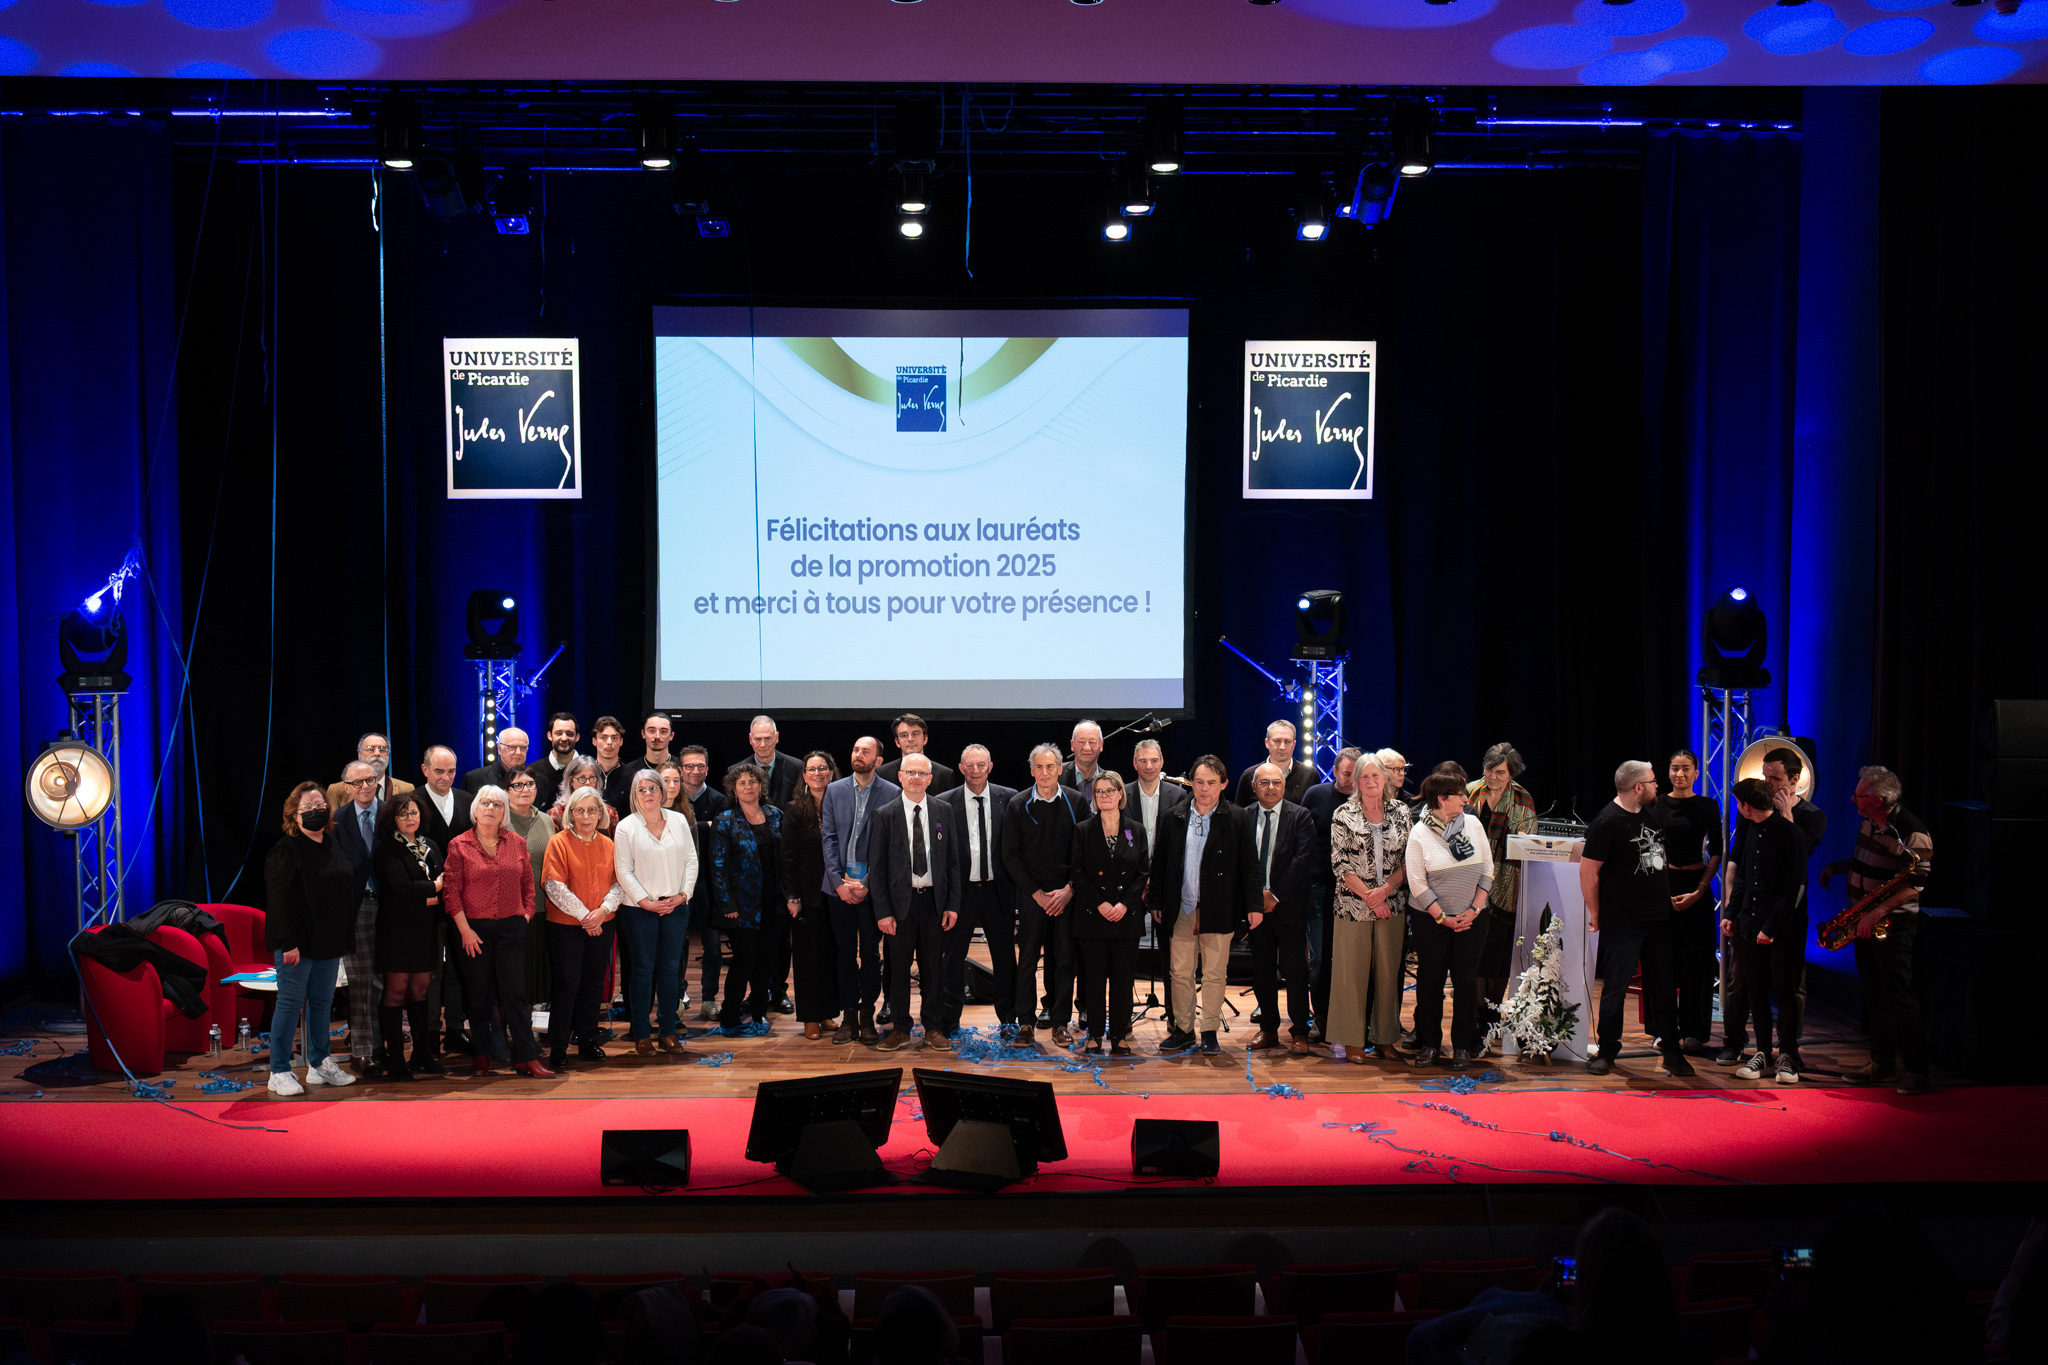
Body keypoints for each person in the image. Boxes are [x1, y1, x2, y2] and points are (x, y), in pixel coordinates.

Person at [1822, 765, 1936, 1095]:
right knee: (1874, 995)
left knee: (1900, 995)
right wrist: (1838, 868)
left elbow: (1916, 884)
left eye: (1858, 795)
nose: (1852, 799)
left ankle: (1917, 1071)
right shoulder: (1870, 822)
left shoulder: (1912, 831)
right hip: (1864, 920)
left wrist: (1878, 911)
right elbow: (1869, 861)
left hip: (1893, 924)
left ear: (1877, 800)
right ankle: (1881, 1064)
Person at [1581, 760, 1691, 1078]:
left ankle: (1672, 1051)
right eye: (1653, 782)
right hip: (1622, 919)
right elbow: (1588, 872)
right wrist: (1595, 912)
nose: (1658, 786)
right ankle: (1607, 1050)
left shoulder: (1651, 812)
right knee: (1615, 986)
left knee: (1664, 985)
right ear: (1638, 787)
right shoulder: (1607, 821)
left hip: (1658, 917)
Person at [1150, 754, 1262, 1056]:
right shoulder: (1173, 816)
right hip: (1182, 907)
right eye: (1199, 782)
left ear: (1223, 784)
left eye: (1211, 783)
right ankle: (1183, 1029)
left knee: (1214, 973)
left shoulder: (1237, 818)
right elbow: (1160, 864)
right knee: (1179, 972)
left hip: (1219, 907)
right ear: (1191, 782)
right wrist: (1157, 900)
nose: (1204, 789)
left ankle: (1209, 1030)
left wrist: (1254, 905)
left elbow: (1250, 866)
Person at [1720, 745, 1825, 1064]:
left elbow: (1800, 862)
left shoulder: (1811, 816)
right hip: (1750, 911)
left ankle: (1788, 1049)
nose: (1768, 784)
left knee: (1788, 985)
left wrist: (1787, 815)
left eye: (1775, 778)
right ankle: (1739, 1042)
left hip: (1786, 914)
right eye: (1764, 776)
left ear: (1794, 779)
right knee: (1742, 981)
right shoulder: (1752, 814)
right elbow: (1738, 861)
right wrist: (1731, 907)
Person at [442, 785, 554, 1078]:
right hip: (474, 931)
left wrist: (525, 915)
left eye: (497, 804)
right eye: (485, 803)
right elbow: (451, 893)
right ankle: (481, 1056)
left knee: (515, 995)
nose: (491, 808)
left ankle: (527, 1057)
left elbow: (528, 884)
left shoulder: (516, 842)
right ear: (476, 809)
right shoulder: (459, 845)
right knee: (479, 995)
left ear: (504, 811)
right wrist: (465, 931)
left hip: (511, 928)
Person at [262, 782, 360, 1096]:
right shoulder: (286, 849)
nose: (316, 811)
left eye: (320, 806)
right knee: (290, 1003)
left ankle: (319, 1064)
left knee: (321, 1003)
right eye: (308, 807)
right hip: (296, 943)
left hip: (328, 941)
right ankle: (279, 1070)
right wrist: (287, 943)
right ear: (295, 814)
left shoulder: (332, 842)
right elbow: (278, 902)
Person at [865, 754, 960, 1051]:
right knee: (898, 969)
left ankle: (932, 1027)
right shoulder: (884, 814)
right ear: (900, 776)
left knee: (933, 968)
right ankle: (900, 1029)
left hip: (934, 903)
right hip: (899, 906)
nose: (916, 777)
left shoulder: (944, 810)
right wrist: (883, 912)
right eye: (910, 772)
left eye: (922, 773)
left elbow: (953, 863)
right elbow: (877, 869)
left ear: (930, 778)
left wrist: (952, 904)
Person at [1405, 772, 1495, 1070]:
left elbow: (1488, 870)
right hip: (1431, 921)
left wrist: (1474, 910)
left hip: (1472, 920)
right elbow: (1417, 883)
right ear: (1442, 799)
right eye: (1460, 794)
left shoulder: (1473, 824)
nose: (1466, 800)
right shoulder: (1419, 833)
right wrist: (1442, 917)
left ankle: (1463, 1047)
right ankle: (1430, 1044)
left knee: (1466, 983)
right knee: (1430, 982)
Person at [1328, 753, 1411, 1063]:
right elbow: (1340, 863)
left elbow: (1410, 860)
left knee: (1389, 975)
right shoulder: (1343, 813)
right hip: (1352, 906)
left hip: (1392, 905)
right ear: (1356, 781)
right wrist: (1370, 898)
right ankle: (1351, 1041)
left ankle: (1385, 1039)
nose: (1371, 781)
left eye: (1376, 775)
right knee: (1350, 974)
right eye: (1364, 776)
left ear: (1385, 779)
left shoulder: (1401, 811)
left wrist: (1385, 892)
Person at [1725, 777, 1808, 1085]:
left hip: (1780, 928)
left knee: (1784, 991)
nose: (1738, 808)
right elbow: (1744, 878)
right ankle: (1762, 1052)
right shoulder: (1749, 829)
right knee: (1755, 990)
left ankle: (1787, 1055)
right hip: (1749, 923)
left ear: (1747, 806)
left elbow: (1794, 887)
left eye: (1739, 803)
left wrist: (1770, 926)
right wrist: (1731, 913)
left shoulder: (1790, 833)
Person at [1002, 743, 1087, 1045]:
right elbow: (1010, 855)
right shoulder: (1017, 804)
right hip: (1031, 896)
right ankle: (1025, 1022)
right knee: (1027, 959)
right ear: (1031, 770)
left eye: (1050, 766)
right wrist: (1036, 893)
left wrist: (1069, 890)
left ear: (1060, 769)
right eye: (1039, 767)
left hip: (1066, 895)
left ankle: (1060, 1023)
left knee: (1064, 960)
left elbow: (1084, 852)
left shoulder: (1076, 801)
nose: (1045, 772)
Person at [821, 736, 901, 1044]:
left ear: (878, 760)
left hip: (873, 889)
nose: (858, 754)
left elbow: (891, 846)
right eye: (855, 749)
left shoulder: (892, 792)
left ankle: (867, 1014)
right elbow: (828, 838)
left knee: (870, 954)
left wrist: (866, 883)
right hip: (838, 888)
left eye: (866, 751)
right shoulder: (834, 790)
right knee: (843, 953)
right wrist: (837, 882)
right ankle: (848, 1016)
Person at [614, 769, 698, 1054]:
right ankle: (641, 1033)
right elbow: (623, 871)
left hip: (675, 907)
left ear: (663, 792)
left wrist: (683, 895)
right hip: (640, 910)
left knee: (670, 970)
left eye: (653, 788)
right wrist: (645, 901)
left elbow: (691, 860)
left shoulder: (679, 820)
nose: (648, 794)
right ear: (635, 795)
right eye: (642, 790)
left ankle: (667, 1030)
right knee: (642, 970)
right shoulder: (626, 827)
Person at [541, 787, 623, 1071]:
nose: (586, 816)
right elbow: (554, 885)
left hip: (602, 924)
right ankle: (559, 1046)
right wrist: (587, 916)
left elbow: (619, 884)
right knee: (567, 984)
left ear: (600, 814)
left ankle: (587, 1040)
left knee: (593, 983)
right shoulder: (558, 842)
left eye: (592, 810)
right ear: (570, 813)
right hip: (565, 926)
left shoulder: (609, 844)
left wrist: (602, 912)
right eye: (580, 810)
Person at [1068, 770, 1148, 1056]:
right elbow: (1078, 873)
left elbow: (1142, 872)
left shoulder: (1136, 829)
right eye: (1099, 791)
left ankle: (1119, 1035)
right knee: (1093, 979)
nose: (1103, 796)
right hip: (1093, 916)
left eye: (1109, 791)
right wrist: (1100, 904)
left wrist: (1124, 904)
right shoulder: (1083, 829)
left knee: (1123, 980)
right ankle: (1094, 1035)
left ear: (1120, 794)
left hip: (1125, 917)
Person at [940, 744, 1018, 1033]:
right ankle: (949, 1020)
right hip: (960, 893)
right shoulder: (944, 802)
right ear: (961, 768)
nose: (975, 771)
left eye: (981, 765)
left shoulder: (1009, 799)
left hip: (998, 891)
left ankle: (1009, 1020)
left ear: (990, 767)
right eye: (969, 765)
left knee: (1005, 957)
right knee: (952, 958)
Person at [1467, 743, 1536, 1051]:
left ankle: (1492, 1016)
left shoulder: (1523, 799)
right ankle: (1475, 1016)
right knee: (1475, 953)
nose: (1492, 777)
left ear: (1512, 774)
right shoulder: (1470, 792)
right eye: (1488, 770)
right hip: (1470, 881)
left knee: (1497, 954)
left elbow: (1527, 846)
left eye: (1500, 773)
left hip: (1505, 885)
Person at [371, 789, 444, 1081]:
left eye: (413, 812)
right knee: (396, 991)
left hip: (426, 928)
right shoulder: (386, 848)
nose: (410, 818)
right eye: (403, 814)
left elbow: (446, 878)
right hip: (397, 930)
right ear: (393, 819)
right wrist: (433, 889)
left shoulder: (430, 844)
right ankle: (395, 1059)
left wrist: (430, 893)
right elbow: (400, 887)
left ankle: (422, 1054)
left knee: (421, 991)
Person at [1244, 762, 1317, 1053]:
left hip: (1289, 906)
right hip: (1255, 908)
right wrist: (1256, 898)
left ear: (1284, 785)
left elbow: (1302, 860)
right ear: (1254, 787)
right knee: (1262, 970)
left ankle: (1299, 1032)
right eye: (1264, 783)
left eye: (1276, 782)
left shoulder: (1300, 816)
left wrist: (1274, 895)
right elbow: (1239, 861)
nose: (1271, 788)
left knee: (1295, 971)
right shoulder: (1243, 816)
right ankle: (1268, 1029)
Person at [1659, 748, 1725, 1052]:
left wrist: (1699, 890)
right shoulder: (1657, 804)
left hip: (1697, 885)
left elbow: (1717, 852)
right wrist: (1661, 889)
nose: (1680, 774)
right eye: (1675, 768)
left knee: (1697, 963)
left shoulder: (1707, 805)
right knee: (1664, 961)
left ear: (1697, 773)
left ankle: (1694, 1031)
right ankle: (1664, 1030)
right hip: (1664, 886)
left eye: (1686, 768)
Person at [709, 764, 784, 1031]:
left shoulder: (775, 815)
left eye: (753, 781)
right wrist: (727, 903)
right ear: (733, 789)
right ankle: (730, 1013)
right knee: (743, 960)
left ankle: (759, 1010)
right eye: (742, 783)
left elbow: (785, 858)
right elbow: (717, 866)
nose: (748, 787)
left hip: (772, 901)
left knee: (765, 960)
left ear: (761, 786)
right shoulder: (725, 820)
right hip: (741, 905)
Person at [779, 751, 844, 1039]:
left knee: (832, 955)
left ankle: (828, 1012)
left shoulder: (842, 804)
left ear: (831, 772)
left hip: (838, 894)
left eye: (823, 768)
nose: (818, 773)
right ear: (804, 776)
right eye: (812, 769)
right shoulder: (794, 809)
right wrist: (792, 896)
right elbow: (787, 858)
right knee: (808, 958)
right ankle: (810, 1018)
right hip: (807, 897)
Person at [328, 760, 386, 1076]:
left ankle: (387, 1047)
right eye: (356, 783)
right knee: (363, 983)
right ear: (346, 788)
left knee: (389, 981)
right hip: (357, 907)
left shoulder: (393, 813)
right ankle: (364, 1052)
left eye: (369, 780)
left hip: (394, 907)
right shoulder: (336, 820)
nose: (364, 787)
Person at [1299, 748, 1357, 1043]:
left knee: (1351, 957)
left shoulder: (1366, 800)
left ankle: (1350, 1017)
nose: (1352, 780)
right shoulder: (1315, 794)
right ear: (1334, 771)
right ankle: (1320, 1017)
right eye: (1347, 774)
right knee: (1320, 957)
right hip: (1320, 885)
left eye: (1357, 774)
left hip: (1357, 892)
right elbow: (1301, 837)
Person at [680, 745, 730, 1021]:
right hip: (677, 881)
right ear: (680, 769)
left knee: (712, 946)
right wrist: (703, 826)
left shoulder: (719, 799)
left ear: (707, 770)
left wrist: (690, 829)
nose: (694, 771)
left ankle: (709, 998)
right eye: (689, 766)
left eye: (700, 766)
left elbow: (721, 834)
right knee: (678, 943)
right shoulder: (671, 797)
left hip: (709, 881)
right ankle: (679, 995)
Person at [506, 768, 555, 1026]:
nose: (525, 789)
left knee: (540, 971)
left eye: (530, 784)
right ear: (506, 791)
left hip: (543, 907)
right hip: (510, 910)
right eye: (518, 785)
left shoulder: (547, 820)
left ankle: (535, 1027)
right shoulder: (500, 820)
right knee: (516, 972)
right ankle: (516, 1027)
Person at [1235, 720, 1318, 807]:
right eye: (1277, 741)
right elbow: (1240, 813)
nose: (1282, 747)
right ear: (1267, 743)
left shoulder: (1310, 775)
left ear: (1294, 745)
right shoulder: (1250, 775)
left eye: (1287, 741)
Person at [877, 712, 960, 795]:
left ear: (925, 739)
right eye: (904, 735)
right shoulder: (882, 774)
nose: (910, 739)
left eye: (915, 734)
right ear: (897, 742)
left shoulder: (944, 775)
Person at [326, 731, 413, 808]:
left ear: (388, 755)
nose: (377, 753)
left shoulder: (406, 789)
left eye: (382, 750)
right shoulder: (337, 791)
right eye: (370, 749)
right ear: (359, 755)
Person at [733, 713, 805, 807]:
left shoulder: (795, 767)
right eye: (758, 739)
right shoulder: (735, 771)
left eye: (768, 738)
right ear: (750, 739)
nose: (763, 744)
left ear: (777, 737)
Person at [416, 745, 474, 845]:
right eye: (439, 771)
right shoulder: (413, 802)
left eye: (451, 771)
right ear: (425, 770)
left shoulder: (468, 800)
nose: (446, 778)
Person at [547, 756, 620, 833]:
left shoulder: (609, 814)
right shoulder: (556, 815)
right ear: (570, 781)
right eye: (582, 778)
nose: (588, 782)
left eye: (592, 777)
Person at [531, 712, 583, 808]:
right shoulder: (533, 771)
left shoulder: (589, 770)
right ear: (549, 735)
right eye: (559, 733)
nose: (564, 738)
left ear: (577, 737)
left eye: (569, 734)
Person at [590, 716, 637, 817]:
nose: (609, 742)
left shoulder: (632, 776)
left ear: (621, 741)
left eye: (614, 738)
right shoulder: (586, 774)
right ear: (594, 741)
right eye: (603, 737)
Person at [464, 728, 530, 794]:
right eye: (512, 747)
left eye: (523, 747)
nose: (518, 752)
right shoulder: (474, 779)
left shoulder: (535, 778)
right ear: (499, 749)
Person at [1060, 720, 1106, 791]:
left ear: (1101, 745)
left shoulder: (1111, 782)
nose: (1087, 748)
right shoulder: (1056, 775)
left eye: (1092, 742)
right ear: (1072, 745)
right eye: (1081, 742)